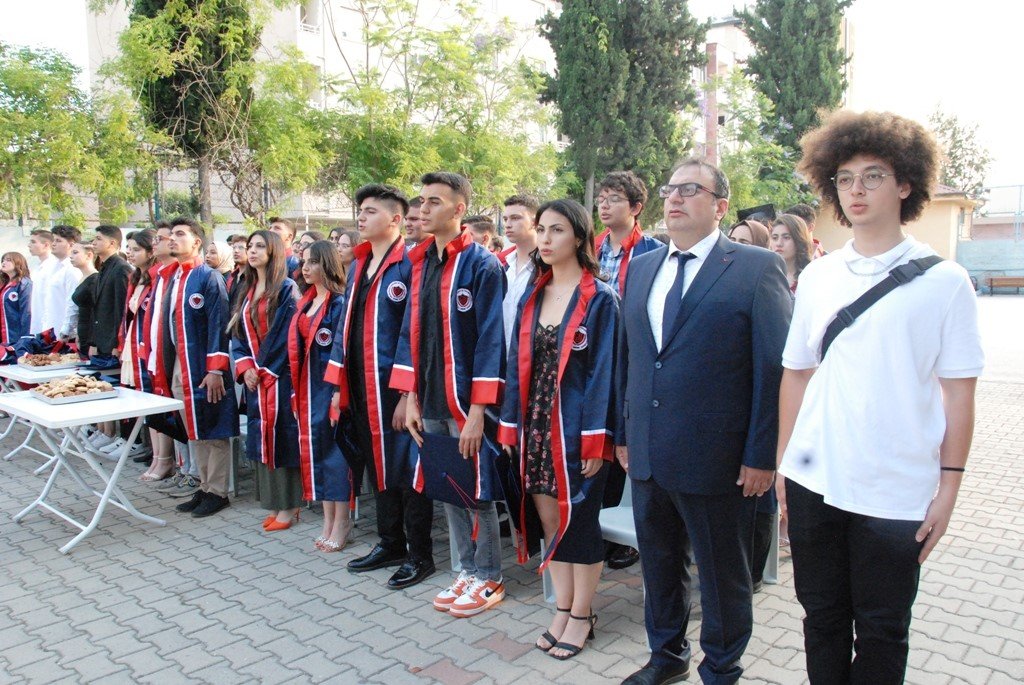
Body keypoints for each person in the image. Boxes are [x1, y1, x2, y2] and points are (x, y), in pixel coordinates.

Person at [777, 111, 984, 685]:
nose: (857, 190)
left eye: (873, 175)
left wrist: (950, 487)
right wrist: (782, 467)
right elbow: (796, 374)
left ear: (906, 184)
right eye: (844, 179)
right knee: (820, 618)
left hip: (896, 488)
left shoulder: (944, 282)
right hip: (815, 477)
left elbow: (958, 395)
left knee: (883, 627)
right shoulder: (819, 277)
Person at [616, 158, 792, 685]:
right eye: (670, 189)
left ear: (718, 206)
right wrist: (625, 435)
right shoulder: (644, 266)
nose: (675, 198)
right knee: (661, 565)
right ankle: (666, 656)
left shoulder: (756, 267)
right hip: (649, 454)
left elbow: (773, 368)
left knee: (722, 576)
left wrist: (762, 455)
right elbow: (632, 359)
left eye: (690, 190)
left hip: (720, 461)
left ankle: (721, 667)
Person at [498, 198, 619, 660]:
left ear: (579, 238)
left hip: (576, 431)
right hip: (536, 426)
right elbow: (515, 362)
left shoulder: (600, 299)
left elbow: (605, 374)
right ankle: (563, 606)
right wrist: (510, 424)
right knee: (550, 520)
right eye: (542, 230)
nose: (546, 240)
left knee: (579, 521)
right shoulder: (534, 293)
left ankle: (583, 614)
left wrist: (596, 438)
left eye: (557, 231)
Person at [392, 171, 507, 617]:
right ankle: (466, 568)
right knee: (448, 486)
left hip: (465, 402)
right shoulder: (419, 261)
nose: (423, 210)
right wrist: (410, 396)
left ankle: (490, 575)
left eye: (434, 202)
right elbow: (409, 333)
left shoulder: (481, 264)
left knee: (477, 488)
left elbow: (491, 340)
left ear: (459, 210)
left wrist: (479, 410)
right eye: (421, 202)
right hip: (430, 396)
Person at [330, 184, 432, 587]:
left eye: (371, 211)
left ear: (395, 219)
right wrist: (339, 383)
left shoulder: (409, 262)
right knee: (376, 467)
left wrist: (408, 393)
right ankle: (391, 542)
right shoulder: (358, 264)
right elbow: (345, 327)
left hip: (394, 386)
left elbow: (415, 331)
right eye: (360, 210)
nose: (361, 217)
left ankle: (420, 554)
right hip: (360, 383)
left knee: (408, 471)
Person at [594, 170, 662, 571]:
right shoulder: (592, 247)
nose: (604, 204)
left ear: (636, 208)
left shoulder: (652, 251)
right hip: (597, 356)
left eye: (614, 198)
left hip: (635, 357)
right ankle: (603, 529)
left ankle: (630, 536)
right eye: (601, 197)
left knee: (627, 433)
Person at [156, 217, 239, 518]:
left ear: (197, 242)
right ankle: (203, 486)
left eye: (181, 235)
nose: (173, 240)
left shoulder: (208, 277)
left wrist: (216, 369)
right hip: (182, 365)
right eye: (171, 235)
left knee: (212, 426)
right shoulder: (176, 277)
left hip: (205, 367)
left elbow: (220, 324)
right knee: (194, 428)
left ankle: (218, 491)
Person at [230, 230, 302, 530]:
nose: (253, 251)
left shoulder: (286, 289)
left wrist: (266, 369)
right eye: (250, 246)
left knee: (283, 437)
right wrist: (245, 365)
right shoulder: (246, 289)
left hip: (281, 377)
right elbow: (236, 333)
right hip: (257, 380)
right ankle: (273, 503)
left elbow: (289, 333)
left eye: (260, 246)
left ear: (273, 251)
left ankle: (290, 506)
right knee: (263, 438)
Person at [290, 240, 353, 552]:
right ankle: (327, 518)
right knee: (318, 452)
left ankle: (342, 520)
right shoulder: (306, 301)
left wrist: (339, 392)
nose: (306, 267)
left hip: (330, 389)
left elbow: (343, 353)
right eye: (304, 261)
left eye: (313, 262)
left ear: (327, 264)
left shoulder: (339, 304)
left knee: (335, 456)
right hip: (307, 388)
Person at [120, 230, 176, 481]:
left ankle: (165, 459)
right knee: (147, 403)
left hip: (154, 347)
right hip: (139, 345)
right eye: (128, 248)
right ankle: (156, 456)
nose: (130, 252)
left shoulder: (159, 278)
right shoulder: (139, 277)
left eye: (136, 248)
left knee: (158, 403)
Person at [500, 194, 539, 354]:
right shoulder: (501, 265)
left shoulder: (549, 267)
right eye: (506, 219)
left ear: (535, 222)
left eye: (516, 218)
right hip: (500, 361)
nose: (508, 225)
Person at [90, 226, 132, 364]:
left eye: (98, 239)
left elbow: (121, 310)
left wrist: (117, 344)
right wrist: (94, 342)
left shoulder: (121, 268)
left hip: (112, 344)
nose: (94, 243)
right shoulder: (103, 267)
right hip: (101, 342)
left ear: (112, 243)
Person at [61, 242, 98, 351]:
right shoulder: (83, 277)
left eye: (75, 252)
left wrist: (93, 341)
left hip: (90, 334)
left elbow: (96, 313)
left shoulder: (94, 279)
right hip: (82, 332)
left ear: (89, 255)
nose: (70, 256)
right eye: (71, 253)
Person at [26, 230, 60, 335]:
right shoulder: (37, 267)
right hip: (38, 322)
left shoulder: (55, 266)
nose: (29, 245)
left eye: (33, 242)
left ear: (46, 245)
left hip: (51, 325)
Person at [771, 214, 814, 293]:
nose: (779, 243)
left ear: (799, 239)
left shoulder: (812, 274)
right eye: (774, 238)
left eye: (786, 237)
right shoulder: (768, 277)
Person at [0, 253, 32, 345]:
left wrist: (26, 337)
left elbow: (27, 312)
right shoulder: (3, 284)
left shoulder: (25, 284)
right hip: (4, 337)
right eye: (3, 260)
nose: (3, 263)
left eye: (8, 260)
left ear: (18, 263)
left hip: (16, 338)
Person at [226, 233, 248, 301]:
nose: (236, 251)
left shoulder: (254, 276)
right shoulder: (232, 276)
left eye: (241, 248)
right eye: (234, 248)